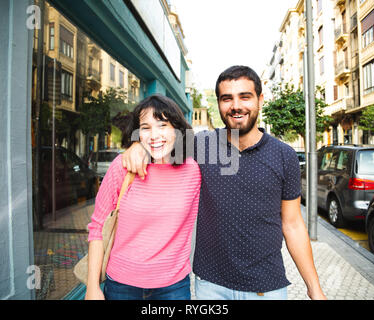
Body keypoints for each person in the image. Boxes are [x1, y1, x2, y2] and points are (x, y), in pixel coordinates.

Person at [122, 65, 327, 300]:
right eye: (227, 98)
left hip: (266, 287)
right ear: (218, 103)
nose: (236, 106)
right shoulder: (199, 145)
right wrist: (137, 146)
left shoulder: (284, 155)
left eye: (245, 97)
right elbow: (160, 141)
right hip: (211, 286)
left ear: (260, 100)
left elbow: (292, 225)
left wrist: (314, 287)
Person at [85, 94, 201, 300]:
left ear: (177, 129)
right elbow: (97, 229)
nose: (154, 135)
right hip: (122, 286)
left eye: (163, 125)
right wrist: (92, 287)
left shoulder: (193, 170)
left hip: (173, 287)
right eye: (146, 128)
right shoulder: (122, 167)